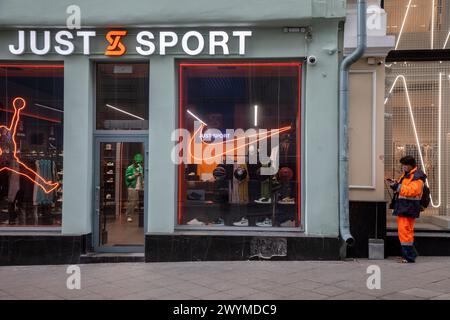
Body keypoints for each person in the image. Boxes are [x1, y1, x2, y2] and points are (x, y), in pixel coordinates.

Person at [387, 155, 426, 263]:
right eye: (403, 165)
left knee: (405, 232)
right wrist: (395, 183)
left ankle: (409, 257)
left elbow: (413, 191)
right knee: (405, 231)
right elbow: (403, 187)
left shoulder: (417, 176)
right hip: (404, 207)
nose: (403, 167)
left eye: (405, 165)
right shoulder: (407, 174)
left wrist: (397, 187)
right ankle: (408, 255)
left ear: (411, 165)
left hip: (409, 207)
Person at [125, 153, 144, 223]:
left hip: (140, 187)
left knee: (136, 202)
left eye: (140, 162)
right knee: (132, 202)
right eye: (137, 162)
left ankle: (133, 214)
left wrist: (143, 183)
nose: (139, 163)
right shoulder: (130, 168)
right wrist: (134, 175)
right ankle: (129, 216)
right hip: (132, 187)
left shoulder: (141, 167)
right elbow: (127, 178)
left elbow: (142, 177)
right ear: (134, 161)